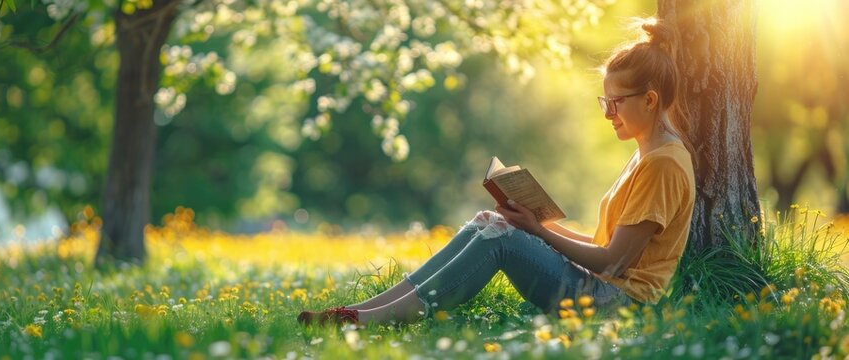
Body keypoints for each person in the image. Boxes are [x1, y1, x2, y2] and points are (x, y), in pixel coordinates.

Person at [297, 18, 696, 326]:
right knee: (488, 221)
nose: (608, 114)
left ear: (649, 100)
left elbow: (613, 262)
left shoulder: (663, 163)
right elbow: (605, 243)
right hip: (598, 287)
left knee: (499, 240)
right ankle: (359, 312)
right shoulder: (646, 153)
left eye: (616, 103)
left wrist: (537, 231)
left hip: (616, 305)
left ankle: (364, 323)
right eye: (603, 102)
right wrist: (537, 222)